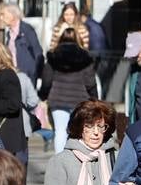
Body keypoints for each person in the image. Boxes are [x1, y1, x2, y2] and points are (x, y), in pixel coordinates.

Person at [41, 22, 99, 154]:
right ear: (78, 39)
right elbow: (90, 82)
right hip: (79, 99)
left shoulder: (53, 56)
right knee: (77, 131)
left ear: (61, 39)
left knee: (60, 130)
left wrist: (43, 96)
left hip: (58, 98)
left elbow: (47, 80)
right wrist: (94, 98)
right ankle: (76, 159)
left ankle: (60, 161)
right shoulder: (85, 57)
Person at [0, 2, 44, 83]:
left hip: (27, 76)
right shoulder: (9, 33)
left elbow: (38, 52)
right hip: (14, 74)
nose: (1, 18)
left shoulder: (27, 30)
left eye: (3, 14)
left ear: (12, 15)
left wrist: (33, 72)